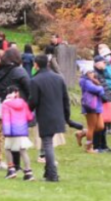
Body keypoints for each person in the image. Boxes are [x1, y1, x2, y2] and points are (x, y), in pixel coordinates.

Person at [29, 54, 72, 182]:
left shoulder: (35, 80)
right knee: (48, 144)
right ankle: (48, 173)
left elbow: (33, 101)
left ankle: (52, 174)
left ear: (36, 65)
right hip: (58, 114)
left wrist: (26, 111)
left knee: (47, 144)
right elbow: (66, 99)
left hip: (45, 115)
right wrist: (67, 116)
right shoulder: (59, 78)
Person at [0, 48, 32, 166]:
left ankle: (11, 164)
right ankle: (18, 164)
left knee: (7, 136)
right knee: (18, 136)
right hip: (18, 108)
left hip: (4, 107)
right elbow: (30, 89)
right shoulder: (19, 71)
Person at [0, 85, 35, 181]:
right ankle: (28, 172)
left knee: (7, 149)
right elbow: (29, 117)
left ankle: (11, 169)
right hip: (22, 131)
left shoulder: (6, 104)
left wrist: (6, 132)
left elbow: (6, 119)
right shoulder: (23, 103)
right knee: (23, 151)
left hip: (11, 131)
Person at [76, 66, 105, 153]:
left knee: (100, 127)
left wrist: (100, 88)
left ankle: (81, 133)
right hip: (90, 106)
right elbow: (96, 89)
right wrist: (101, 88)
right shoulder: (85, 81)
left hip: (97, 105)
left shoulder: (92, 81)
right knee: (91, 128)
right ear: (87, 73)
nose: (93, 73)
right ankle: (89, 147)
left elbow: (100, 90)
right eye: (91, 72)